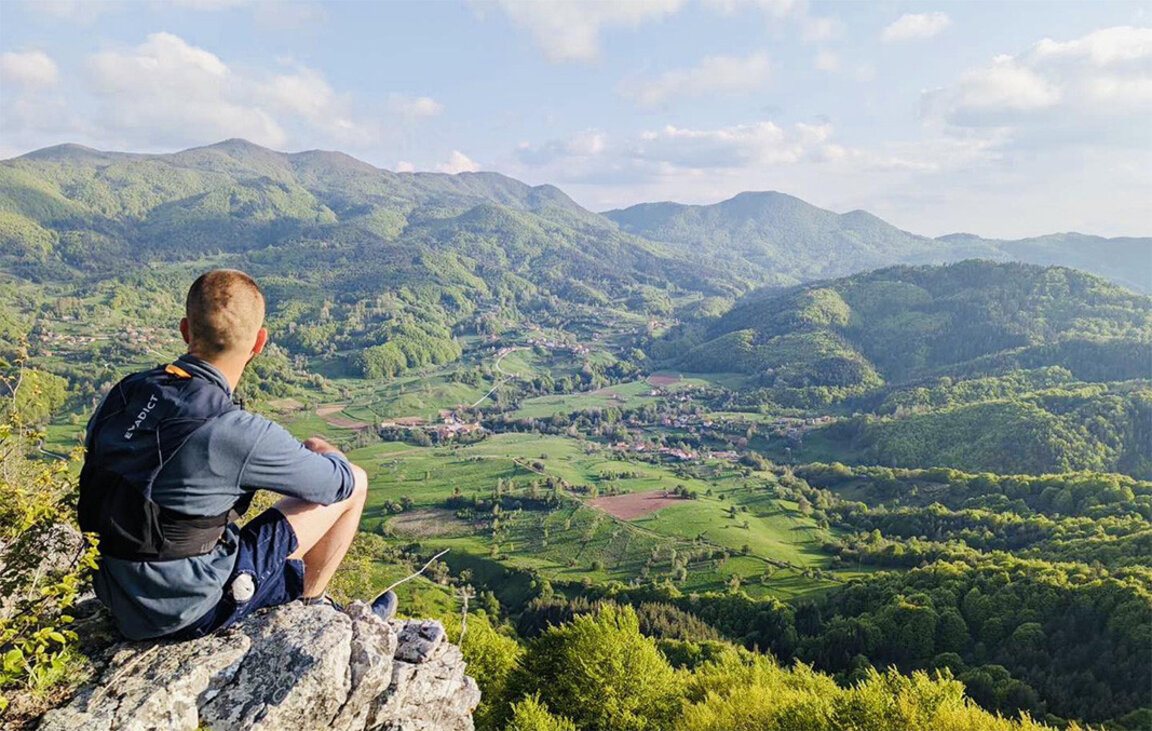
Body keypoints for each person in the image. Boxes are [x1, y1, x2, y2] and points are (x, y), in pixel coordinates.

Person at [78, 269, 396, 641]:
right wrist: (326, 451)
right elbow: (335, 485)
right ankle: (313, 611)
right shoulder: (235, 430)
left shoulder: (127, 391)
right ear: (259, 342)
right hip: (184, 610)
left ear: (185, 330)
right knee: (356, 481)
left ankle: (290, 593)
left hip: (113, 590)